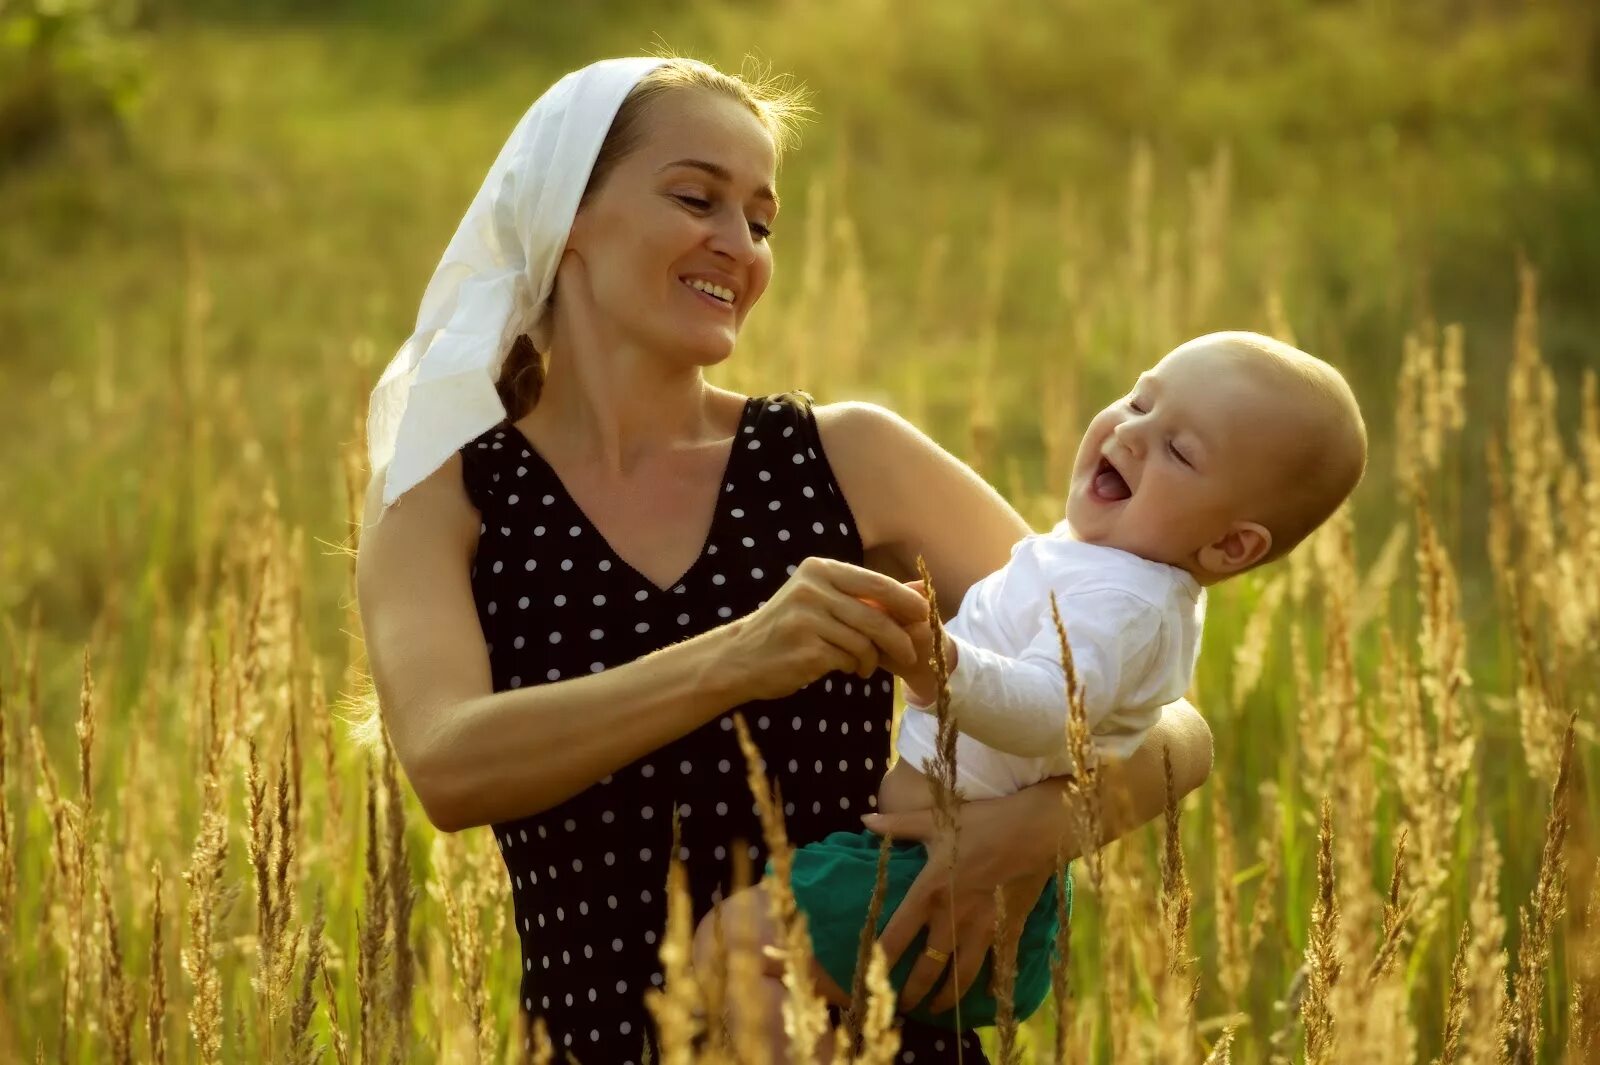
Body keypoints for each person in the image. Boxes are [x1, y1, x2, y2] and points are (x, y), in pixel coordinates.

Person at [355, 55, 1215, 1063]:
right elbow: (451, 767)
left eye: (759, 221)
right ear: (567, 213)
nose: (740, 246)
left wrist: (1028, 837)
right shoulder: (441, 499)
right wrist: (740, 656)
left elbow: (1171, 725)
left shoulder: (847, 458)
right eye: (696, 198)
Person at [698, 331, 1367, 1046]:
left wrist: (937, 659)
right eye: (1140, 400)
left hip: (938, 878)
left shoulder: (1126, 602)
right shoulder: (1103, 566)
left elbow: (1053, 713)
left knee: (729, 948)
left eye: (1179, 450)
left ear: (1232, 547)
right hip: (928, 867)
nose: (1132, 433)